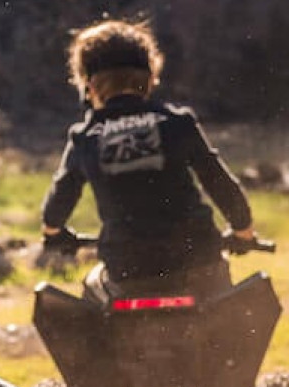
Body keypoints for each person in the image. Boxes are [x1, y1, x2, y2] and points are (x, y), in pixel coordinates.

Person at [40, 19, 256, 302]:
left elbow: (58, 202)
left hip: (128, 272)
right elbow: (220, 183)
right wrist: (243, 231)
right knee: (223, 311)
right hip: (198, 264)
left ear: (89, 85)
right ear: (150, 76)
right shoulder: (177, 123)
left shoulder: (86, 137)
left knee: (93, 290)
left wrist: (53, 233)